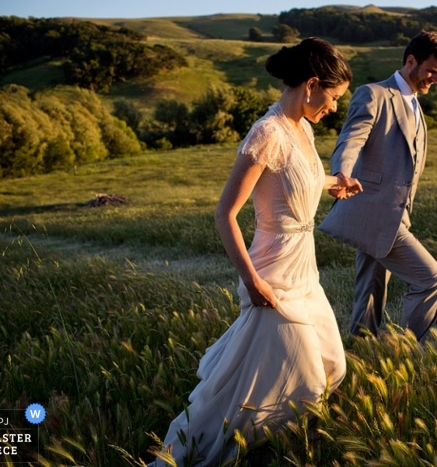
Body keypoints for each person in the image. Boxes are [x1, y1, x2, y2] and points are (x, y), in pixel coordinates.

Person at [152, 38, 361, 467]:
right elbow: (224, 214)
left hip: (305, 271)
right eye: (334, 98)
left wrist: (332, 183)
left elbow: (294, 180)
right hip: (272, 272)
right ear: (311, 85)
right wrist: (253, 281)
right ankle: (204, 452)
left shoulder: (301, 128)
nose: (335, 108)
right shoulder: (267, 134)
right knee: (297, 376)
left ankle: (258, 445)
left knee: (331, 366)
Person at [319, 31, 437, 342]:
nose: (436, 79)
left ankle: (360, 353)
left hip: (394, 216)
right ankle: (402, 352)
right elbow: (351, 139)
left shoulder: (416, 106)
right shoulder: (374, 94)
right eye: (432, 71)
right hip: (373, 211)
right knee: (432, 281)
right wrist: (341, 175)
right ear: (411, 61)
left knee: (369, 294)